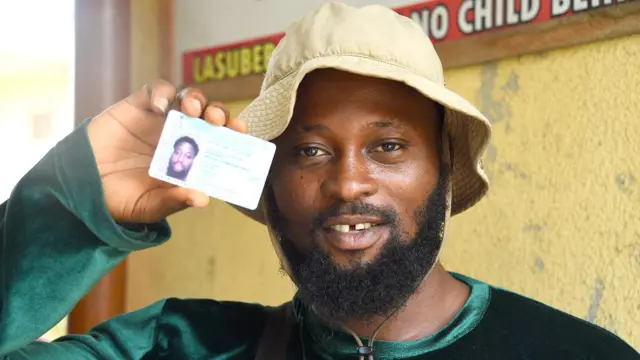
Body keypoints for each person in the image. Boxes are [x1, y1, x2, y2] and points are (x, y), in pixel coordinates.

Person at [0, 2, 637, 359]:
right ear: (267, 182)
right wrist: (71, 208)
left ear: (444, 165)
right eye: (308, 151)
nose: (348, 184)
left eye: (388, 146)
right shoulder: (176, 348)